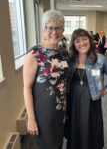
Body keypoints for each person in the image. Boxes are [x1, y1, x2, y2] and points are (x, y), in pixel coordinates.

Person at [65, 28, 107, 149]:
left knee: (90, 128)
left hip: (91, 101)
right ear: (74, 44)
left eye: (84, 39)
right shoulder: (70, 59)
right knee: (74, 127)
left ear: (90, 40)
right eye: (77, 40)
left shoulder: (100, 59)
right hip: (73, 100)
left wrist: (105, 90)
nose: (82, 43)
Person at [23, 10, 69, 149]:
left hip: (60, 111)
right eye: (50, 28)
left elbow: (63, 81)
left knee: (58, 144)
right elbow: (27, 88)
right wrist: (31, 119)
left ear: (62, 30)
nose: (54, 32)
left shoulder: (63, 53)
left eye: (58, 28)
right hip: (44, 113)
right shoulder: (35, 54)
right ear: (43, 30)